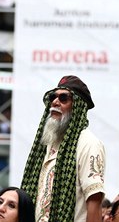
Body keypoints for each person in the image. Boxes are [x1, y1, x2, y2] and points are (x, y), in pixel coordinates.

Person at [21, 75, 106, 222]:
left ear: (77, 107)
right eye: (53, 97)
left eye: (63, 98)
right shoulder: (47, 143)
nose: (55, 102)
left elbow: (94, 200)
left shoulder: (88, 144)